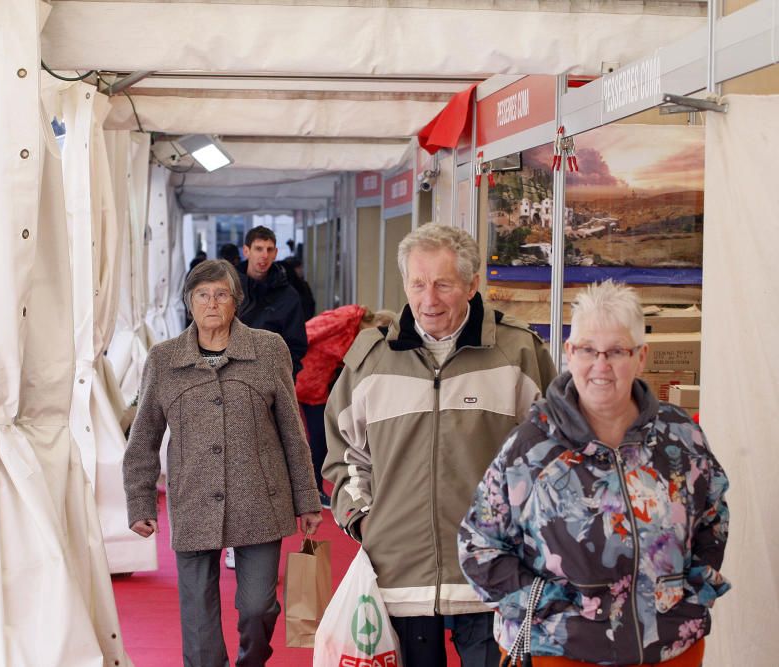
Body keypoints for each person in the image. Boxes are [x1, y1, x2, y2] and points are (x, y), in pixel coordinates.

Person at [458, 281, 729, 666]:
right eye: (587, 349)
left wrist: (687, 594)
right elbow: (478, 544)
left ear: (641, 356)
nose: (600, 365)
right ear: (569, 352)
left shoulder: (680, 438)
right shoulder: (532, 447)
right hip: (562, 652)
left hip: (669, 649)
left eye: (617, 351)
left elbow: (713, 515)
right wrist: (544, 604)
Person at [323, 224, 556, 667]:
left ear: (472, 284)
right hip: (398, 574)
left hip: (493, 574)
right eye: (418, 284)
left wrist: (526, 533)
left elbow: (549, 456)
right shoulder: (370, 359)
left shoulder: (520, 352)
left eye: (444, 285)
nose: (428, 300)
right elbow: (344, 452)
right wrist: (362, 520)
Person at [123, 259, 323, 667]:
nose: (212, 302)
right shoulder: (163, 360)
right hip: (193, 498)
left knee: (258, 608)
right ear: (188, 302)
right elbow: (143, 438)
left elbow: (292, 430)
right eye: (202, 294)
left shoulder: (268, 350)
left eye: (221, 294)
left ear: (237, 302)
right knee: (198, 617)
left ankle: (252, 660)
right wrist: (139, 502)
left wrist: (307, 499)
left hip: (260, 500)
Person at [296, 305, 394, 509]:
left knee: (319, 436)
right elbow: (308, 331)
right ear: (379, 324)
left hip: (318, 386)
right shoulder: (348, 317)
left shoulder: (363, 340)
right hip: (298, 373)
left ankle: (313, 491)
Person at [237, 225, 308, 377]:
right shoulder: (228, 290)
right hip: (231, 378)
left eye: (269, 250)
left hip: (272, 381)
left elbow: (296, 346)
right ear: (246, 251)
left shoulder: (289, 296)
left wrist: (281, 378)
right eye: (258, 248)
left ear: (275, 253)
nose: (264, 255)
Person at [280, 256, 316, 321]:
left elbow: (311, 304)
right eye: (299, 267)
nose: (301, 270)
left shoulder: (303, 284)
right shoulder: (285, 287)